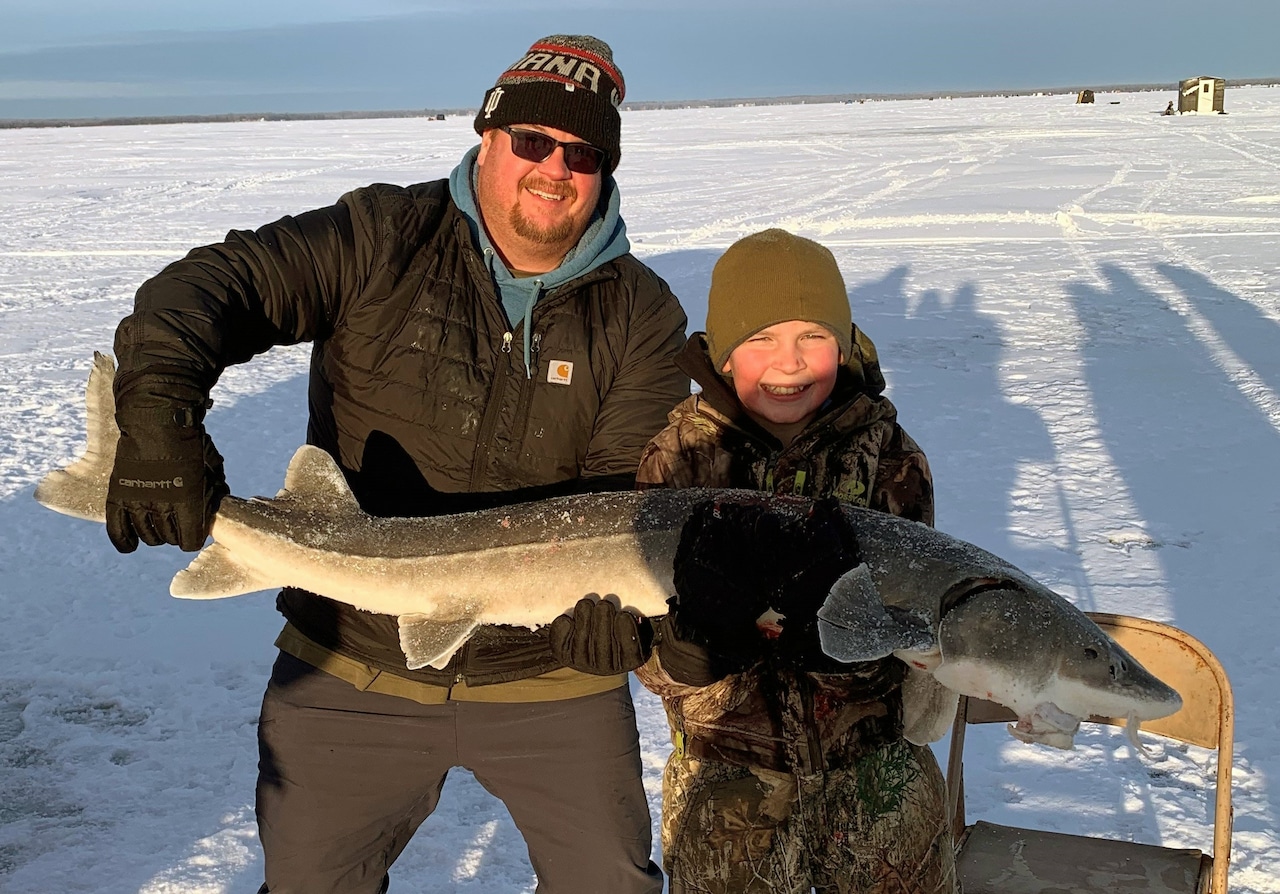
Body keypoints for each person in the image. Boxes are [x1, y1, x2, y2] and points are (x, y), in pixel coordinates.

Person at [104, 34, 687, 894]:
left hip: (548, 675)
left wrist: (612, 616)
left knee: (611, 883)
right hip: (352, 652)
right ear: (487, 137)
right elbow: (212, 286)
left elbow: (616, 500)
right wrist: (158, 420)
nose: (555, 169)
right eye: (533, 141)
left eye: (583, 154)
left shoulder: (641, 314)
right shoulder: (384, 237)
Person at [635, 229, 957, 893]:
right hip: (724, 772)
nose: (790, 362)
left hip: (875, 766)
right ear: (723, 354)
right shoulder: (676, 460)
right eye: (760, 338)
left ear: (843, 345)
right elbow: (640, 622)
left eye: (813, 335)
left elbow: (917, 610)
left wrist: (855, 653)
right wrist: (677, 662)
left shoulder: (890, 456)